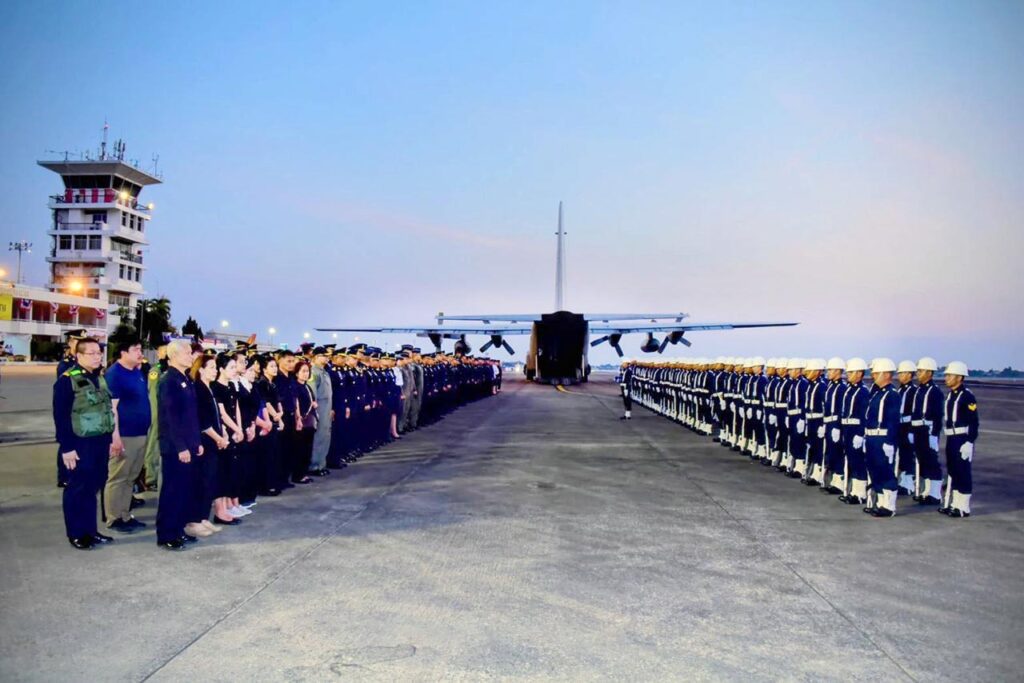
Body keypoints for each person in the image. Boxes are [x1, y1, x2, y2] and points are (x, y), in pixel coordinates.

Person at [53, 337, 116, 550]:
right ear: (79, 355)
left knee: (92, 488)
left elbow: (106, 410)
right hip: (80, 444)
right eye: (92, 353)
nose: (98, 357)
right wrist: (67, 448)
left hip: (100, 442)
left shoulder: (99, 378)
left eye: (99, 353)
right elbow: (61, 417)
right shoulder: (67, 380)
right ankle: (77, 534)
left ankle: (91, 531)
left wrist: (110, 440)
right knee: (77, 489)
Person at [155, 340, 202, 550]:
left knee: (184, 490)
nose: (191, 357)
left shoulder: (185, 378)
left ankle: (178, 529)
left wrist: (196, 442)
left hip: (189, 444)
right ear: (174, 355)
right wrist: (181, 447)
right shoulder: (168, 380)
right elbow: (171, 418)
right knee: (173, 491)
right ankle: (167, 533)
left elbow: (191, 416)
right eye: (187, 353)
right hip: (175, 447)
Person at [102, 339, 151, 533]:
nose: (140, 353)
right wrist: (115, 436)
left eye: (140, 349)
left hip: (140, 433)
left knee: (130, 477)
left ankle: (125, 514)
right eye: (136, 349)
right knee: (118, 477)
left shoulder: (136, 372)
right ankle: (114, 518)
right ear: (123, 352)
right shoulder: (115, 374)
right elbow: (111, 408)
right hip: (125, 435)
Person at [190, 354, 228, 536]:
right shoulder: (199, 389)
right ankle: (195, 520)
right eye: (211, 367)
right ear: (201, 370)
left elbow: (216, 417)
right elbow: (204, 422)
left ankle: (204, 517)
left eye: (215, 367)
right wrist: (218, 438)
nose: (215, 370)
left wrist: (222, 434)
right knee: (202, 482)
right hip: (205, 441)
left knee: (210, 481)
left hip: (213, 441)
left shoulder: (209, 388)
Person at [862, 358, 901, 517]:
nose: (873, 375)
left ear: (886, 374)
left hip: (883, 438)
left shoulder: (892, 394)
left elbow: (893, 420)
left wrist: (890, 442)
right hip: (872, 437)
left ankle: (889, 506)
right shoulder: (877, 393)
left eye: (876, 373)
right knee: (875, 470)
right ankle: (880, 503)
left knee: (885, 471)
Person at [940, 361, 978, 518]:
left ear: (960, 377)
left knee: (962, 472)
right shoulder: (951, 394)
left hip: (962, 438)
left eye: (950, 375)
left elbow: (974, 422)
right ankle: (955, 504)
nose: (946, 378)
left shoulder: (967, 396)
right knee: (953, 470)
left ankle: (963, 507)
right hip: (951, 437)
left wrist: (969, 441)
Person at [911, 357, 944, 505]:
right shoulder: (919, 390)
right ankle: (927, 491)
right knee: (922, 460)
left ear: (929, 373)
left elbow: (938, 415)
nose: (918, 373)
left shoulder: (934, 391)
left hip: (928, 430)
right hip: (917, 429)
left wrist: (934, 434)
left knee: (931, 461)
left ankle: (935, 493)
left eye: (921, 370)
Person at [839, 358, 870, 505]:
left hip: (856, 430)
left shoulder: (863, 391)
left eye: (851, 372)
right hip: (847, 429)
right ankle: (854, 491)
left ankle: (860, 493)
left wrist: (860, 433)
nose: (848, 375)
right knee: (851, 459)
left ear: (859, 373)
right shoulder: (849, 389)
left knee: (858, 461)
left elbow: (864, 415)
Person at [141, 344, 169, 491]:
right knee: (153, 445)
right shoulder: (155, 371)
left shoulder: (167, 370)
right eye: (164, 351)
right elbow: (153, 396)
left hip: (166, 414)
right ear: (158, 354)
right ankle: (150, 477)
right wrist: (156, 415)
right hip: (157, 413)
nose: (167, 354)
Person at [308, 347, 333, 476]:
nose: (327, 358)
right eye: (324, 356)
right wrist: (315, 412)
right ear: (316, 357)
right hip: (319, 409)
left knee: (325, 436)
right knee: (318, 437)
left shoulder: (325, 372)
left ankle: (322, 464)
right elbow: (313, 394)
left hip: (327, 408)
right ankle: (314, 466)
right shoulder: (313, 372)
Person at [895, 360, 918, 496]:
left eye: (902, 373)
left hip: (907, 426)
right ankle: (903, 481)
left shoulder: (913, 391)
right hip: (899, 425)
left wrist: (911, 430)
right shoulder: (900, 389)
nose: (900, 376)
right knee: (901, 454)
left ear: (910, 374)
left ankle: (908, 483)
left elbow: (915, 412)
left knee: (907, 455)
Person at [292, 360, 317, 484]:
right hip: (301, 421)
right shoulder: (295, 386)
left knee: (307, 449)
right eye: (303, 371)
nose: (306, 374)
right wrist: (298, 418)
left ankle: (304, 473)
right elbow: (295, 403)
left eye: (307, 371)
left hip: (309, 422)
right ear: (297, 373)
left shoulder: (307, 386)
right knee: (299, 450)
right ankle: (298, 475)